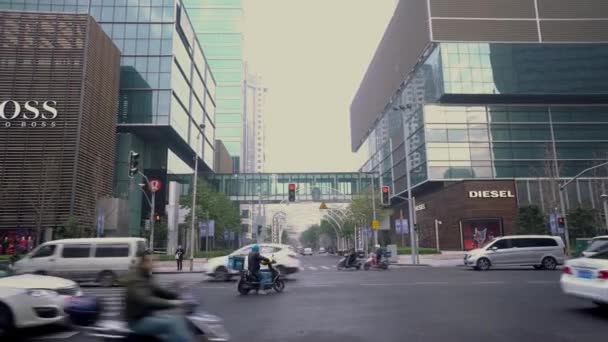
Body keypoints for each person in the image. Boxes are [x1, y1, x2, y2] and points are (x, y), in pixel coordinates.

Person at [125, 251, 193, 342]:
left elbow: (160, 292)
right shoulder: (135, 279)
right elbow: (147, 300)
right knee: (172, 324)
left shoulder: (146, 277)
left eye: (153, 261)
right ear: (142, 263)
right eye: (150, 261)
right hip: (137, 321)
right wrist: (173, 303)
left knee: (177, 319)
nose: (153, 263)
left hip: (146, 317)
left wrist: (178, 296)